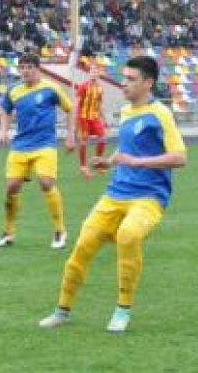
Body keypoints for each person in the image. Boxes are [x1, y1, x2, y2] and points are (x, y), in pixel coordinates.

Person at [39, 56, 187, 332]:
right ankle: (62, 310)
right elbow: (128, 150)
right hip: (115, 194)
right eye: (124, 77)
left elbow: (180, 157)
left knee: (128, 235)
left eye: (131, 79)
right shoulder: (127, 112)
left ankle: (122, 310)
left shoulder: (160, 113)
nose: (124, 83)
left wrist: (137, 163)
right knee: (82, 248)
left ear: (148, 83)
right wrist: (108, 161)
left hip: (149, 197)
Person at [0, 54, 77, 249]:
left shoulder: (51, 88)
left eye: (30, 67)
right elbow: (4, 109)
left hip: (45, 144)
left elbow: (70, 109)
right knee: (12, 187)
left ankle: (60, 230)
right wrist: (4, 130)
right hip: (20, 145)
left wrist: (71, 136)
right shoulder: (14, 90)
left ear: (38, 69)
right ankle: (8, 232)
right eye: (22, 67)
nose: (26, 71)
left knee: (46, 182)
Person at [76, 63, 109, 179]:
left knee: (103, 138)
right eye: (92, 71)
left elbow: (100, 105)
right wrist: (76, 120)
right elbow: (77, 104)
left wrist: (104, 120)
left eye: (96, 71)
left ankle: (98, 162)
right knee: (84, 141)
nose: (94, 73)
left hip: (95, 118)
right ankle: (83, 166)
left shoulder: (100, 88)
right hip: (83, 118)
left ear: (99, 74)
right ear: (89, 73)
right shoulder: (83, 86)